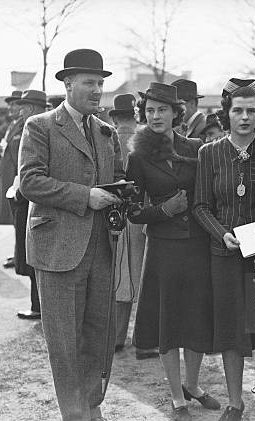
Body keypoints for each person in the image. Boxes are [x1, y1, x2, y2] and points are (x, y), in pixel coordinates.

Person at [18, 48, 126, 421]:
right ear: (67, 85)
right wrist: (87, 196)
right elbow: (30, 182)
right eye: (89, 83)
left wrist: (120, 193)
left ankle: (93, 409)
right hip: (58, 248)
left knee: (97, 336)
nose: (97, 90)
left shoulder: (105, 131)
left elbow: (115, 179)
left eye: (100, 83)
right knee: (64, 340)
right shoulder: (40, 125)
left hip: (100, 247)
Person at [194, 78, 255, 421]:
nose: (245, 117)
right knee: (231, 333)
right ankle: (236, 404)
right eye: (238, 110)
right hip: (225, 253)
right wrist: (223, 234)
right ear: (226, 114)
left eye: (251, 110)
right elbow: (200, 205)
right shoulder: (210, 152)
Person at [126, 82, 219, 421]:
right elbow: (133, 211)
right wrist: (165, 209)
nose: (154, 116)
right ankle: (177, 397)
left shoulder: (196, 147)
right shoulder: (138, 157)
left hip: (196, 245)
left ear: (176, 113)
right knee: (167, 320)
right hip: (163, 249)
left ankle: (192, 385)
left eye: (161, 109)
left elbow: (209, 194)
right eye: (149, 110)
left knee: (195, 317)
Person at [107, 93, 158, 359]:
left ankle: (116, 337)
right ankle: (144, 340)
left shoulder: (109, 137)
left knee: (120, 276)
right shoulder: (145, 139)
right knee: (143, 277)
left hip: (116, 214)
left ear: (115, 116)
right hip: (143, 214)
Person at [7, 90, 48, 320]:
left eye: (23, 107)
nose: (20, 111)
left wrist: (20, 191)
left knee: (34, 255)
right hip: (27, 198)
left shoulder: (34, 129)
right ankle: (37, 304)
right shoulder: (40, 126)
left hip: (32, 201)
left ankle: (38, 306)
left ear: (32, 108)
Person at [0, 90, 23, 269]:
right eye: (10, 104)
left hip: (16, 178)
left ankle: (18, 254)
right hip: (7, 176)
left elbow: (20, 151)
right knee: (15, 219)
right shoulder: (13, 124)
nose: (10, 108)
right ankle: (17, 253)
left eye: (14, 104)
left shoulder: (24, 124)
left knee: (19, 219)